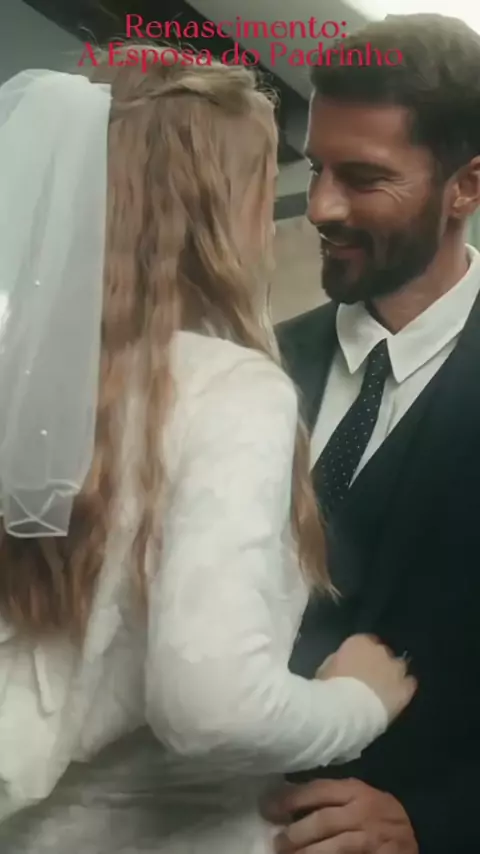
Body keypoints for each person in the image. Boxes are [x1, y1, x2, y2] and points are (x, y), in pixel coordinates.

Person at [0, 48, 414, 854]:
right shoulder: (230, 389)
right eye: (263, 185)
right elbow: (210, 705)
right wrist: (357, 705)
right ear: (217, 208)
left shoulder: (22, 382)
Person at [273, 12, 480, 854]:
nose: (320, 206)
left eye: (363, 178)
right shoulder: (253, 365)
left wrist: (440, 820)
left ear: (467, 186)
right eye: (316, 168)